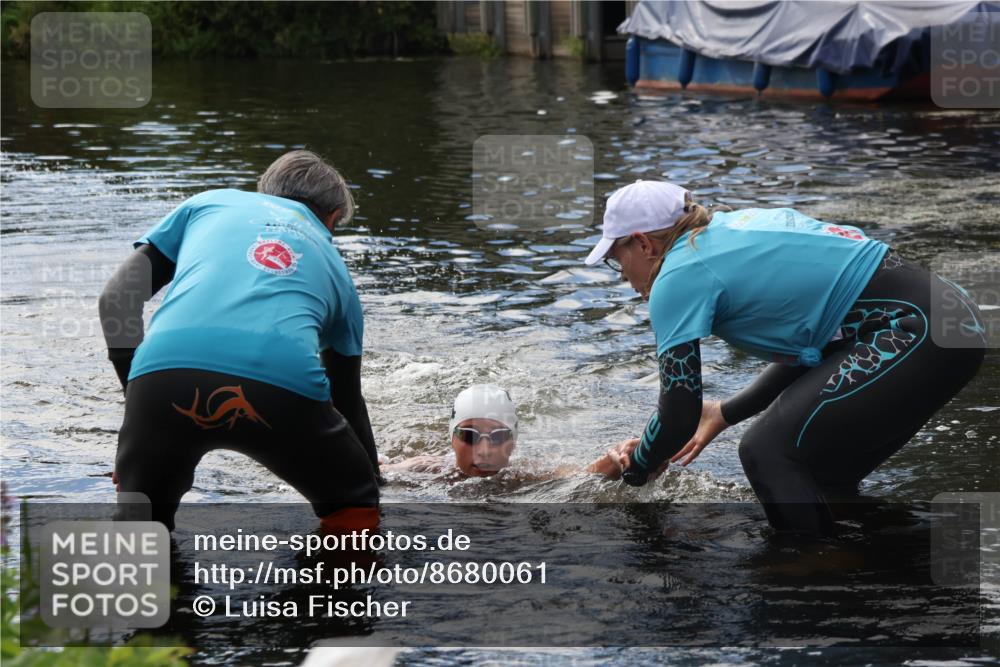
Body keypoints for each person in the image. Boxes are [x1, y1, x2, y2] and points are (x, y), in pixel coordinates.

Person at [585, 179, 986, 535]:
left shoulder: (677, 276)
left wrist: (633, 468)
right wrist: (725, 411)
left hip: (916, 329)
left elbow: (678, 413)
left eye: (615, 259)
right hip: (949, 320)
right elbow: (821, 344)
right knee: (816, 477)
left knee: (767, 450)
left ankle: (812, 581)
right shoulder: (732, 230)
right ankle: (881, 569)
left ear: (643, 243)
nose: (622, 274)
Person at [99, 150, 381, 533]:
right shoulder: (340, 275)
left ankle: (152, 590)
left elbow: (116, 301)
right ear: (331, 219)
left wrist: (139, 412)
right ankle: (328, 590)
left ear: (264, 191)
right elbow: (346, 398)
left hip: (162, 380)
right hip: (281, 389)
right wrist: (370, 480)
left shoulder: (208, 202)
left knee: (140, 525)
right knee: (354, 507)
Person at [382, 384, 637, 479]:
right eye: (469, 436)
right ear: (451, 439)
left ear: (513, 442)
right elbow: (377, 472)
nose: (484, 452)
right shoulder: (421, 470)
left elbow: (584, 475)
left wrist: (619, 454)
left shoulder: (525, 473)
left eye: (498, 437)